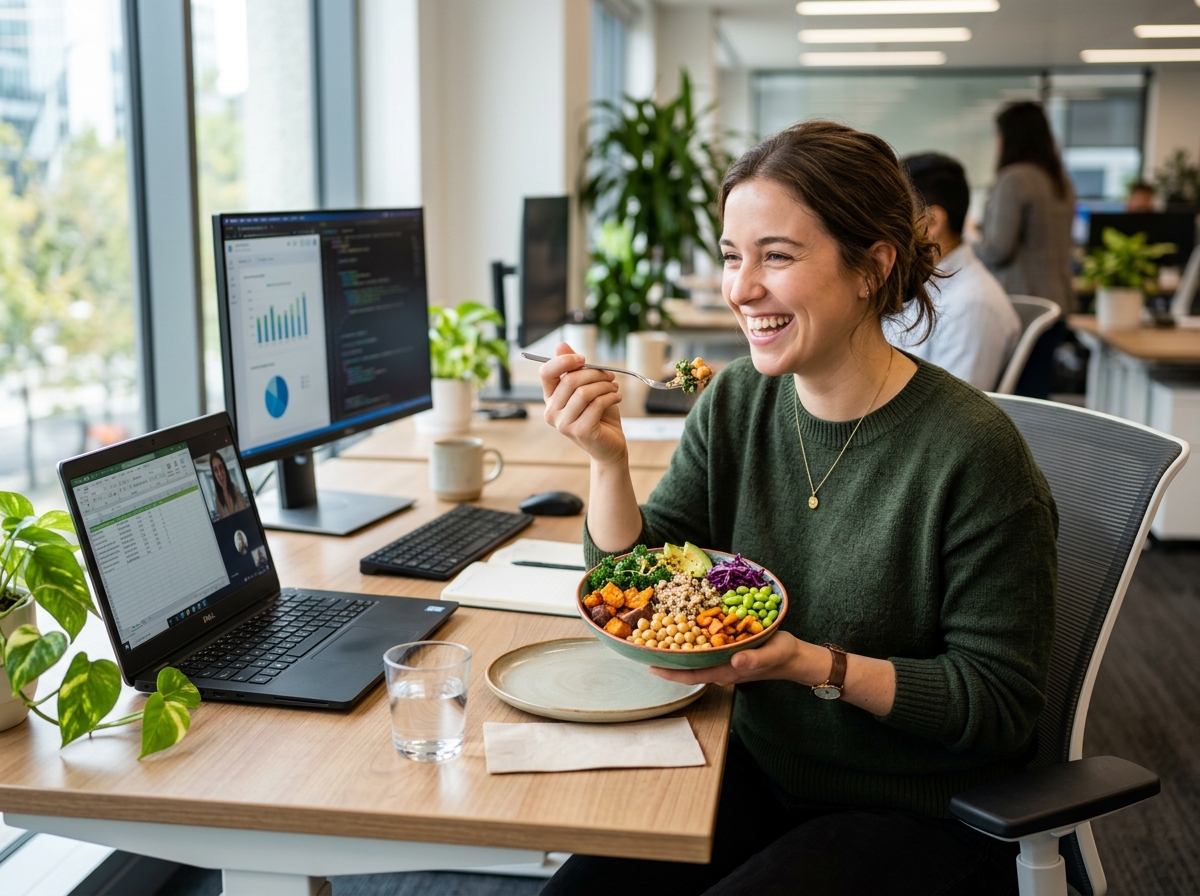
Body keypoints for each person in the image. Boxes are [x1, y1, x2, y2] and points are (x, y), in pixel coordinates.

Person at [537, 120, 1057, 896]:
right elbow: (635, 589)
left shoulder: (973, 452)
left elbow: (999, 703)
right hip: (757, 764)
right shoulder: (738, 399)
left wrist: (809, 664)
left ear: (871, 267)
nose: (742, 288)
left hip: (920, 809)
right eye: (731, 257)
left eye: (776, 256)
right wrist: (607, 464)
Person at [884, 152, 1021, 390]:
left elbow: (955, 416)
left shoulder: (973, 306)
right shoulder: (919, 283)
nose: (885, 230)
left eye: (896, 218)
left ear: (931, 222)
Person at [976, 101, 1075, 398]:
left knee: (1019, 397)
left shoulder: (1014, 179)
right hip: (1056, 302)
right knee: (1037, 392)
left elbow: (997, 249)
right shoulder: (1059, 181)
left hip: (1023, 304)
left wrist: (967, 243)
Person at [209, 451, 248, 519]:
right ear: (214, 474)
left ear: (225, 469)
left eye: (221, 467)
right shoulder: (217, 500)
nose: (220, 474)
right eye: (216, 470)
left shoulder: (236, 491)